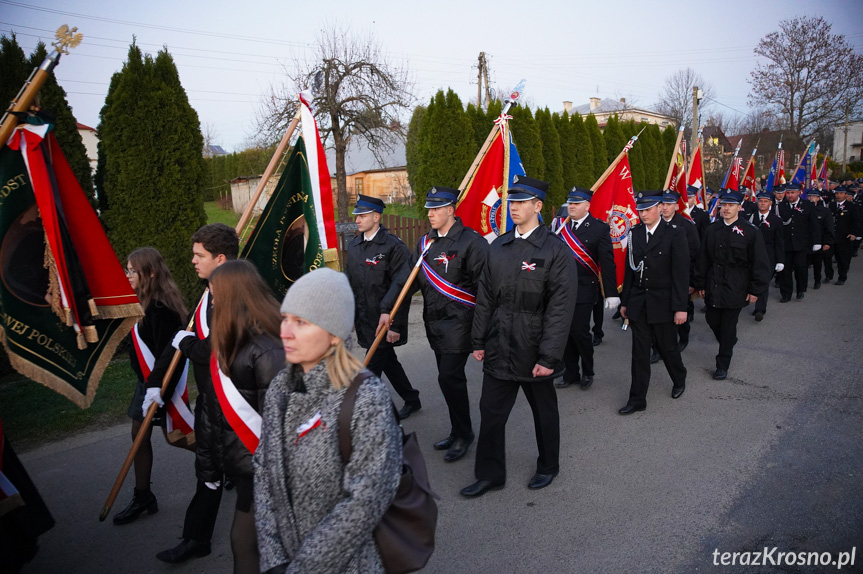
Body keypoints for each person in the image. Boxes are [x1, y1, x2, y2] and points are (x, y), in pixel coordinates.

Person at [255, 268, 402, 573]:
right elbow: (264, 475)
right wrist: (274, 560)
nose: (285, 331)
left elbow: (365, 502)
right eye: (285, 319)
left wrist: (301, 569)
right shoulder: (279, 391)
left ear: (334, 334)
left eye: (301, 322)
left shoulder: (365, 397)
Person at [463, 175, 576, 497]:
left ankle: (548, 466)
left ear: (538, 206)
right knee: (491, 412)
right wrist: (478, 340)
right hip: (499, 345)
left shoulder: (554, 251)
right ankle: (489, 474)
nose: (514, 207)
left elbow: (560, 308)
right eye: (512, 202)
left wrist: (549, 357)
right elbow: (485, 297)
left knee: (543, 411)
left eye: (522, 202)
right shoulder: (498, 246)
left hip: (534, 348)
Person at [149, 223, 238, 563]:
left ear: (220, 257)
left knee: (232, 472)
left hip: (232, 403)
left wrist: (186, 343)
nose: (192, 261)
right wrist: (157, 383)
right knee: (210, 471)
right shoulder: (208, 292)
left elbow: (211, 351)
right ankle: (196, 538)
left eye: (199, 255)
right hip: (211, 403)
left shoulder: (232, 296)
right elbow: (179, 341)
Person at [207, 260, 284, 574]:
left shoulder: (267, 350)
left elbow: (277, 420)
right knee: (245, 542)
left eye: (215, 296)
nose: (212, 302)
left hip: (264, 467)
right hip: (245, 463)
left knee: (251, 543)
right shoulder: (234, 342)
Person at [114, 247, 190, 526]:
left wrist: (158, 392)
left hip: (160, 383)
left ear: (151, 272)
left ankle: (227, 465)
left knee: (181, 436)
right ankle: (143, 495)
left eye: (133, 270)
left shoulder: (161, 307)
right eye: (127, 269)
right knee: (139, 435)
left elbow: (169, 356)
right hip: (145, 382)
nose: (128, 274)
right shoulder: (140, 301)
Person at [412, 186, 488, 462]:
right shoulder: (426, 244)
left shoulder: (472, 243)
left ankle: (465, 434)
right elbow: (406, 281)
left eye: (435, 209)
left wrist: (483, 335)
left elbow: (484, 291)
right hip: (434, 324)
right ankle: (457, 430)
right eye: (429, 209)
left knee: (449, 378)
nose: (430, 214)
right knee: (448, 382)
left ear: (450, 210)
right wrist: (387, 309)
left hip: (460, 324)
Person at [344, 194, 421, 420]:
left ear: (377, 217)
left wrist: (395, 325)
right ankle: (411, 398)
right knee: (388, 362)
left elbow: (403, 289)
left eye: (363, 215)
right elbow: (351, 282)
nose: (357, 220)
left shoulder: (393, 247)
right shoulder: (355, 245)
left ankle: (377, 420)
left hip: (385, 321)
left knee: (369, 372)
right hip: (364, 319)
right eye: (356, 215)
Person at [618, 190, 689, 415]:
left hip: (664, 302)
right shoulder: (635, 233)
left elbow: (680, 273)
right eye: (640, 210)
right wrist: (625, 302)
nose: (643, 214)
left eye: (648, 209)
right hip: (639, 301)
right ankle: (637, 399)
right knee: (640, 353)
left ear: (659, 208)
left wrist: (680, 307)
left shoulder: (674, 234)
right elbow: (630, 271)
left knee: (668, 347)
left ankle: (679, 377)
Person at [695, 192, 771, 380]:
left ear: (739, 207)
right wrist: (700, 283)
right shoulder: (712, 229)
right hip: (714, 285)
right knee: (712, 320)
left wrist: (755, 290)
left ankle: (722, 364)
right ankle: (728, 342)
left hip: (736, 286)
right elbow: (703, 259)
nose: (726, 209)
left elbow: (759, 262)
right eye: (723, 205)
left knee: (729, 326)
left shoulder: (750, 231)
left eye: (731, 205)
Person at [554, 186, 617, 390]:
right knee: (564, 333)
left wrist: (611, 294)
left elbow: (607, 263)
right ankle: (570, 372)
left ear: (587, 206)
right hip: (561, 289)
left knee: (579, 331)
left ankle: (587, 371)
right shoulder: (560, 226)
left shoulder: (599, 228)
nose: (571, 206)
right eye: (570, 203)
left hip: (585, 289)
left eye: (576, 203)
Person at [659, 190, 700, 353]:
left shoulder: (686, 226)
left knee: (679, 310)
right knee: (660, 314)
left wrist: (692, 282)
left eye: (669, 204)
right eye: (662, 204)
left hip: (680, 278)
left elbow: (694, 255)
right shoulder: (655, 223)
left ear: (677, 206)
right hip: (660, 279)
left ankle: (683, 336)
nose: (665, 208)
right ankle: (658, 347)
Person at [776, 186, 821, 302]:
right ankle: (786, 294)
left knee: (800, 268)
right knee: (785, 271)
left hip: (801, 243)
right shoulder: (781, 206)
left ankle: (801, 289)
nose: (790, 195)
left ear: (799, 193)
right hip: (786, 244)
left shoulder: (808, 205)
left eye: (793, 193)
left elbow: (814, 224)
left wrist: (817, 242)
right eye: (788, 193)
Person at [746, 191, 785, 321]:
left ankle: (760, 309)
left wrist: (780, 261)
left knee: (762, 282)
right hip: (751, 256)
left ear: (770, 203)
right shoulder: (750, 218)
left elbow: (779, 241)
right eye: (760, 201)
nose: (762, 203)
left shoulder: (776, 220)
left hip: (768, 258)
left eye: (765, 201)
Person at [826, 186, 862, 285]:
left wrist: (854, 233)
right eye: (837, 193)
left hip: (845, 236)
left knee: (842, 258)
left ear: (846, 195)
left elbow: (856, 221)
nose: (839, 195)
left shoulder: (852, 206)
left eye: (841, 193)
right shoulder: (831, 205)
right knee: (827, 256)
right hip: (831, 236)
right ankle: (829, 274)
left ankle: (842, 276)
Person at [807, 190, 834, 289]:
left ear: (818, 198)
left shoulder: (824, 211)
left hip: (819, 241)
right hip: (806, 242)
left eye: (814, 196)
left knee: (817, 264)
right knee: (803, 264)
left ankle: (817, 280)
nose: (811, 198)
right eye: (809, 196)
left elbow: (829, 227)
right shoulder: (803, 210)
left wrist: (827, 242)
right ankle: (803, 283)